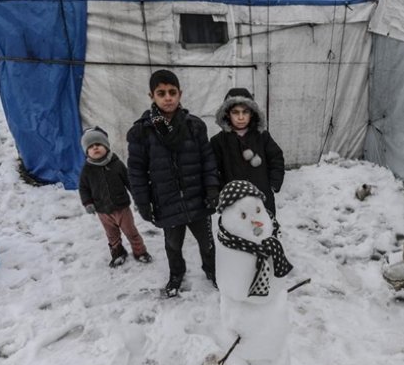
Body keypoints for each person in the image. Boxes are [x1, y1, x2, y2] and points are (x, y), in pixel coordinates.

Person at [126, 69, 220, 297]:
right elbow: (136, 171)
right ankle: (176, 273)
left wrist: (212, 189)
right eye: (161, 93)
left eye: (172, 92)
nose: (167, 97)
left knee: (207, 242)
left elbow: (208, 161)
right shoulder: (142, 131)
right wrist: (143, 202)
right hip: (166, 201)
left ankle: (212, 270)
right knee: (173, 245)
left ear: (180, 94)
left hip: (197, 199)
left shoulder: (195, 126)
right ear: (152, 96)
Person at [79, 126, 151, 268]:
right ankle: (118, 253)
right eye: (91, 147)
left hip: (122, 208)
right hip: (102, 210)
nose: (95, 148)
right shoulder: (87, 170)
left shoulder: (116, 164)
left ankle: (140, 252)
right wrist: (87, 202)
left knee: (131, 232)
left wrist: (138, 199)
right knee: (112, 235)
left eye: (98, 144)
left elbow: (129, 182)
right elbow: (84, 188)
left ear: (106, 146)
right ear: (87, 152)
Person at [210, 88, 285, 216]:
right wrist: (223, 190)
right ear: (227, 114)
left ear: (252, 113)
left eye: (245, 112)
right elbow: (213, 169)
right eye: (235, 112)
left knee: (265, 229)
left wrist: (273, 184)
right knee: (238, 231)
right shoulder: (218, 141)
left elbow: (276, 158)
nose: (241, 117)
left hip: (262, 197)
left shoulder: (262, 136)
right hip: (234, 200)